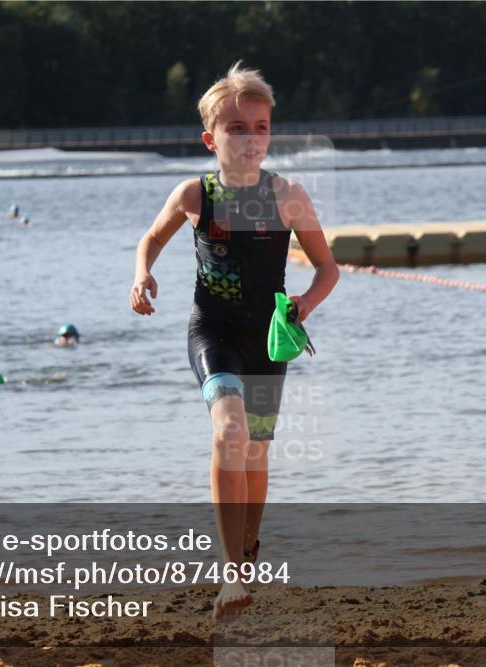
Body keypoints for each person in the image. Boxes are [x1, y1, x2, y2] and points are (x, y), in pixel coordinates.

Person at [129, 62, 339, 621]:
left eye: (261, 127)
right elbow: (149, 239)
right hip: (213, 331)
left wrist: (305, 305)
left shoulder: (289, 195)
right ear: (211, 138)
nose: (251, 139)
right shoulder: (195, 195)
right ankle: (229, 573)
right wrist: (142, 274)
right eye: (237, 128)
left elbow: (327, 270)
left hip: (270, 339)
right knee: (229, 429)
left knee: (257, 453)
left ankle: (246, 562)